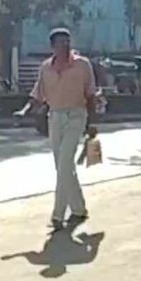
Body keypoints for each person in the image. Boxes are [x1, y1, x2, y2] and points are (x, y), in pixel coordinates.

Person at [16, 28, 98, 231]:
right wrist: (24, 110)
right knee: (63, 166)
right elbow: (37, 94)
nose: (65, 45)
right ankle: (79, 209)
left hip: (77, 115)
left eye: (67, 41)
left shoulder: (82, 65)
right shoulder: (46, 68)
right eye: (61, 42)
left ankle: (57, 215)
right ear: (52, 46)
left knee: (64, 163)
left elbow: (91, 95)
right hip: (55, 116)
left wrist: (93, 123)